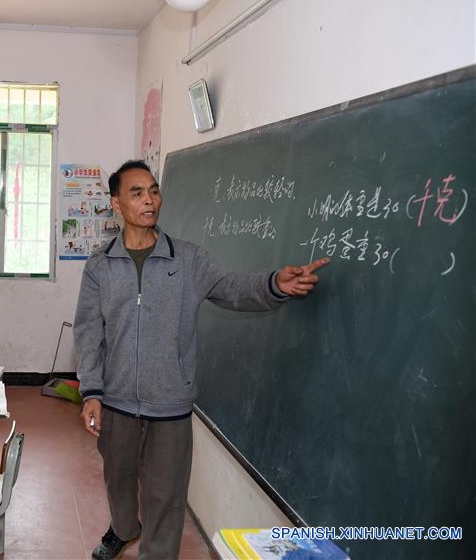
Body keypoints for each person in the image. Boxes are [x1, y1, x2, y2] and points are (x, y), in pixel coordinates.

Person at [75, 160, 328, 560]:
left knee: (166, 495)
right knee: (118, 479)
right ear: (116, 203)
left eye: (154, 191)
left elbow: (231, 287)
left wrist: (273, 283)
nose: (149, 200)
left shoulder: (187, 260)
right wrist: (91, 390)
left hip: (171, 404)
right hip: (116, 400)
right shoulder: (100, 267)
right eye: (137, 192)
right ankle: (124, 528)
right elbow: (88, 331)